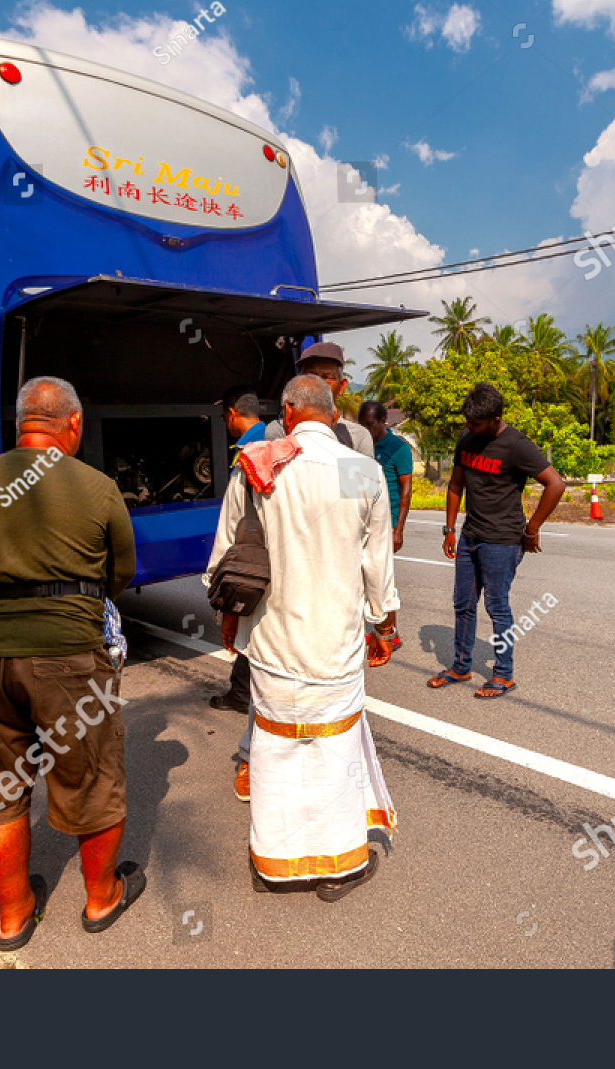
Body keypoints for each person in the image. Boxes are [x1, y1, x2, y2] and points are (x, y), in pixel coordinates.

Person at [0, 376, 142, 951]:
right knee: (91, 778)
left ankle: (13, 915)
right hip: (67, 654)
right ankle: (101, 899)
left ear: (20, 422)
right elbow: (120, 573)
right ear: (72, 424)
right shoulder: (97, 487)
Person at [207, 374, 398, 901]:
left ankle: (274, 863)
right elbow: (375, 561)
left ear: (288, 412)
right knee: (334, 751)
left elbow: (227, 554)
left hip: (271, 641)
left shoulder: (257, 467)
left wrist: (228, 616)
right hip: (335, 641)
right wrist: (383, 623)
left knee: (275, 749)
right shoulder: (360, 471)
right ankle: (338, 869)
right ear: (334, 416)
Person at [427, 383, 565, 699]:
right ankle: (461, 667)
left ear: (495, 419)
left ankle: (503, 674)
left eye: (476, 424)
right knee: (463, 604)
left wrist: (531, 529)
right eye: (467, 422)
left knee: (496, 606)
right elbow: (455, 484)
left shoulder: (516, 445)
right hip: (470, 536)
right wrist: (449, 530)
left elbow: (555, 484)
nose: (469, 428)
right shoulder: (467, 438)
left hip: (502, 541)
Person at [208, 386, 265, 724]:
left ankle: (244, 693)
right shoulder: (270, 440)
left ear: (231, 414)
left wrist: (216, 581)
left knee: (248, 619)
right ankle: (242, 690)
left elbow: (233, 523)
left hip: (252, 555)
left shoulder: (251, 451)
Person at [358, 400, 414, 649]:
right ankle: (381, 627)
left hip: (386, 524)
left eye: (370, 424)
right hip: (362, 522)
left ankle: (390, 633)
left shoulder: (398, 448)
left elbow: (406, 490)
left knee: (382, 580)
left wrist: (398, 528)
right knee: (365, 579)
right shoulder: (359, 445)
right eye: (363, 424)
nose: (366, 429)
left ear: (383, 422)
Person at [263, 342, 374, 458]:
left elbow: (363, 475)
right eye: (310, 376)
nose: (318, 384)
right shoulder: (279, 431)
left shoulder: (357, 436)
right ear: (297, 383)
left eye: (326, 377)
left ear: (341, 386)